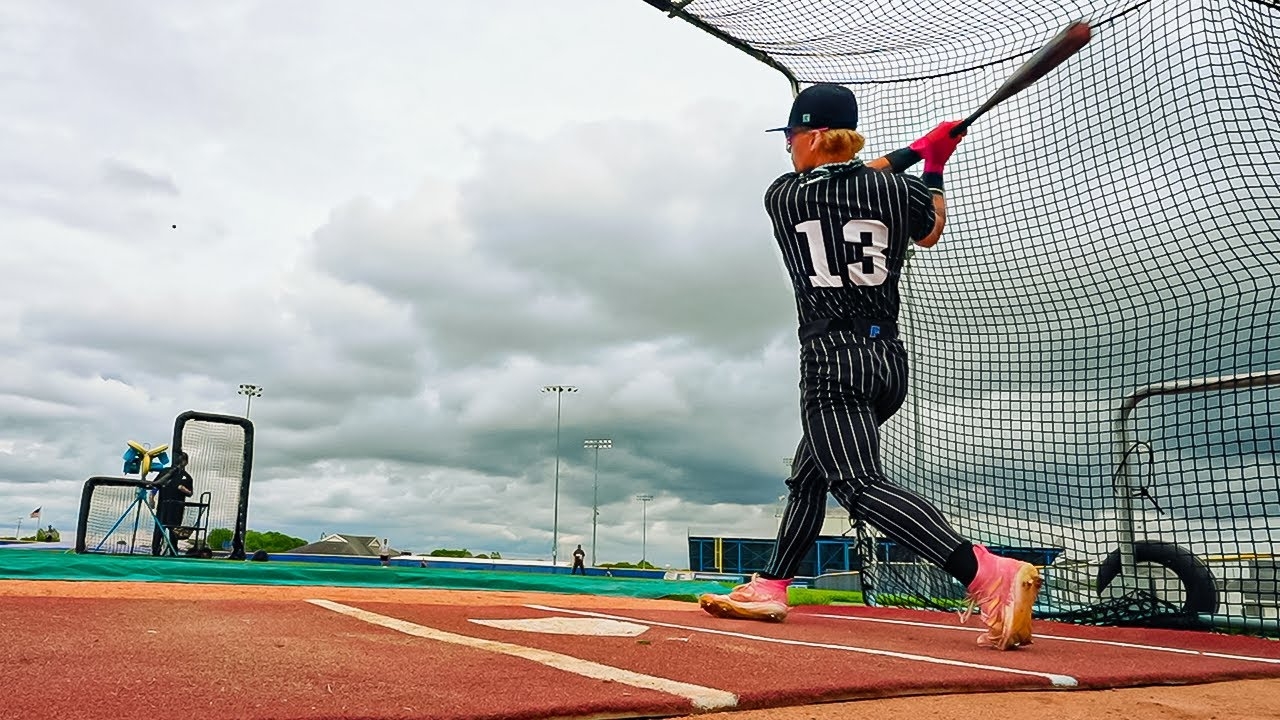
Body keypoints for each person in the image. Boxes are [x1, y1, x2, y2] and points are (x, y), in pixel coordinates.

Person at [697, 84, 1043, 650]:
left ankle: (985, 573)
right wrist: (932, 164)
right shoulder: (893, 189)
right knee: (810, 476)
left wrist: (917, 148)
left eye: (790, 137)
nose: (787, 148)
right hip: (886, 364)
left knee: (857, 485)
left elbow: (846, 177)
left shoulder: (783, 195)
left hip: (833, 362)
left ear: (812, 136)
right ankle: (773, 585)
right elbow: (929, 232)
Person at [152, 451, 194, 555]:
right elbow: (155, 485)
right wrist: (151, 498)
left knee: (174, 531)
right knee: (159, 529)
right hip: (163, 506)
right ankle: (155, 552)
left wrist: (183, 489)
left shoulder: (187, 477)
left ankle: (173, 552)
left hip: (177, 507)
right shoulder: (165, 472)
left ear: (186, 462)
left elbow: (190, 493)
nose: (182, 462)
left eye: (184, 460)